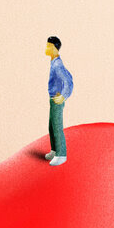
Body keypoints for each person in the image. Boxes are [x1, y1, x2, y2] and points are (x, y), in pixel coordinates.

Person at [44, 36, 73, 166]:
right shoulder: (54, 62)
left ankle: (61, 154)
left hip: (57, 100)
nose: (46, 48)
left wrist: (63, 95)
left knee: (57, 127)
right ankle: (54, 150)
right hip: (52, 99)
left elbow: (68, 81)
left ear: (55, 48)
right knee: (51, 126)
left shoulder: (57, 65)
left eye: (49, 46)